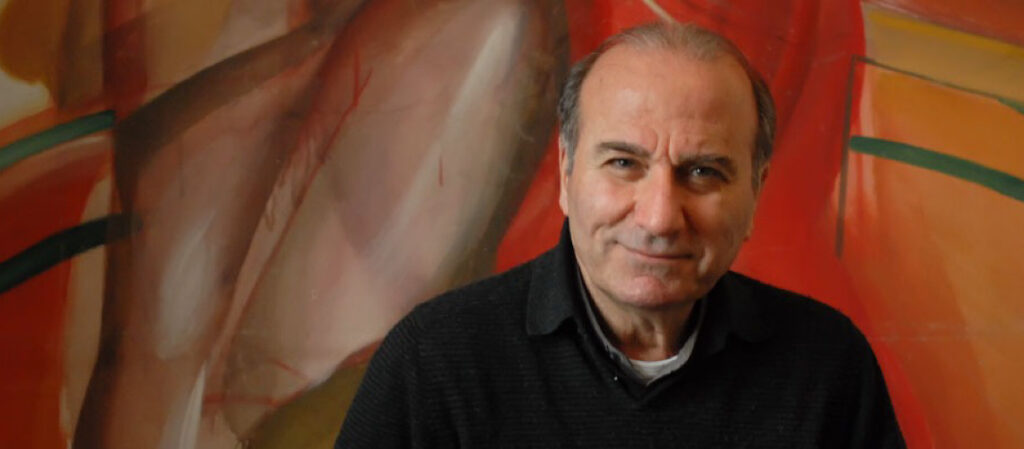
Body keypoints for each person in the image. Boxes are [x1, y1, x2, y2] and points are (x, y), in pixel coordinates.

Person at [335, 21, 906, 448]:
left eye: (703, 172)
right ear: (566, 173)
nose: (659, 218)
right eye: (624, 164)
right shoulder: (433, 364)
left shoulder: (828, 368)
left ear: (755, 191)